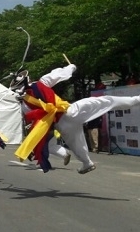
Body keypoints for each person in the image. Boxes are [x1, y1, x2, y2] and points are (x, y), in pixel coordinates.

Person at [11, 64, 140, 174]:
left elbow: (36, 119)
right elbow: (59, 73)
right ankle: (135, 100)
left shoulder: (25, 104)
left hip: (62, 124)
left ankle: (87, 163)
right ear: (27, 79)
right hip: (71, 111)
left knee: (76, 143)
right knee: (105, 102)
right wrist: (71, 67)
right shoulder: (42, 82)